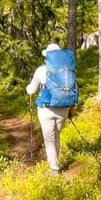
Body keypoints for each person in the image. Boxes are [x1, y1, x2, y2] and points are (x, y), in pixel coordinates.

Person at [26, 43, 75, 176]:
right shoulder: (67, 71)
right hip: (63, 109)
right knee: (56, 137)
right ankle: (55, 163)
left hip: (46, 110)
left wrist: (28, 87)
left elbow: (31, 90)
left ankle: (54, 169)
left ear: (47, 56)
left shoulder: (41, 70)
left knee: (49, 139)